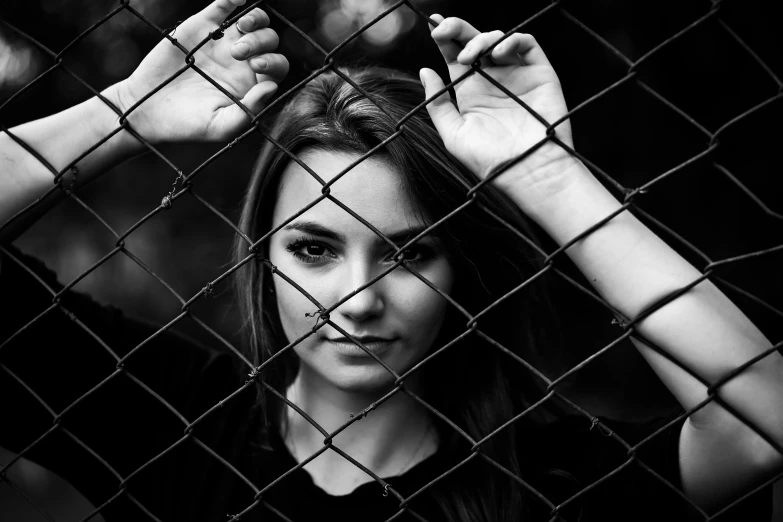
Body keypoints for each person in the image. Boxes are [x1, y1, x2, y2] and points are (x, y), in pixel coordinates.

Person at [0, 0, 780, 521]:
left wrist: (548, 178)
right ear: (262, 255)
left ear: (458, 272)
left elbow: (762, 421)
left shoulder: (549, 480)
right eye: (313, 248)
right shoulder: (170, 423)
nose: (358, 298)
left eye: (408, 252)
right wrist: (122, 116)